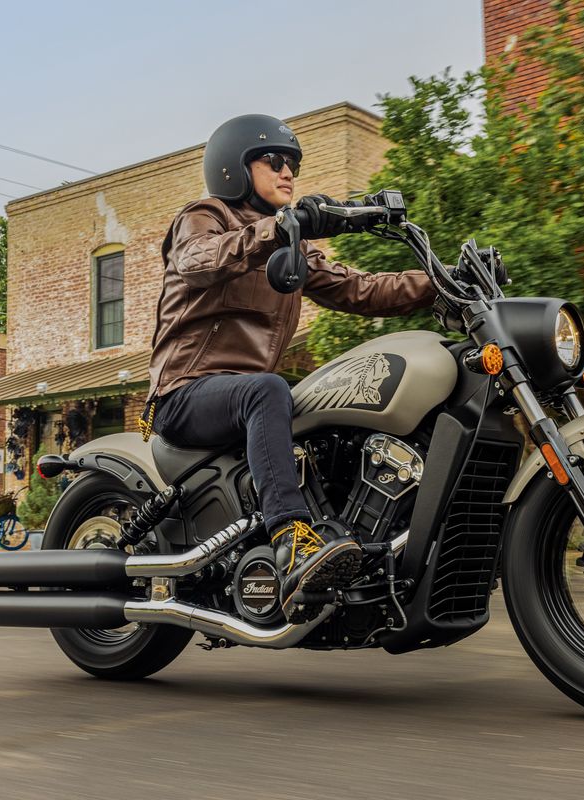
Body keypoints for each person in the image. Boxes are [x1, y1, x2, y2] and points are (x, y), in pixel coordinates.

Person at [143, 114, 434, 620]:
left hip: (243, 396)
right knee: (269, 390)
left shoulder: (289, 240)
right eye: (274, 161)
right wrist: (279, 228)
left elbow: (360, 288)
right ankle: (291, 539)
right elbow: (198, 260)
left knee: (333, 412)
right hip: (185, 392)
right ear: (235, 169)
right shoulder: (203, 217)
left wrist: (440, 279)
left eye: (293, 165)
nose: (287, 173)